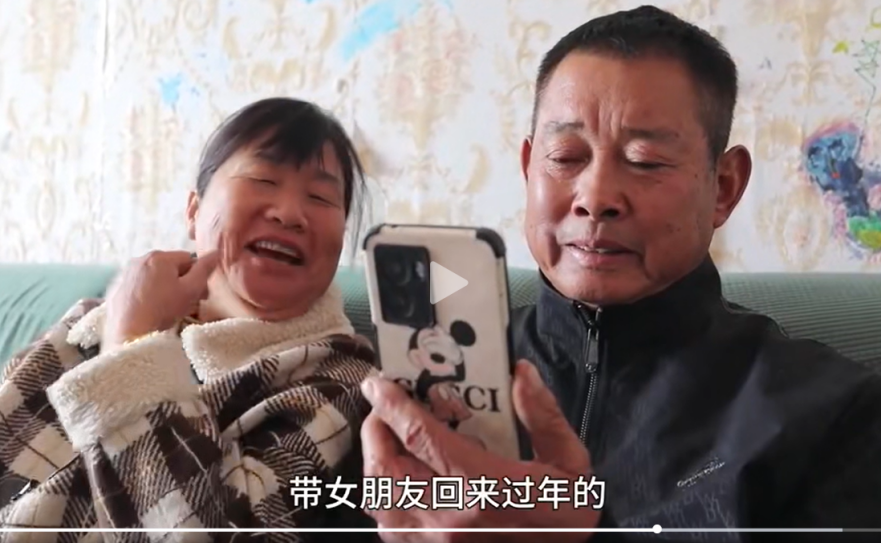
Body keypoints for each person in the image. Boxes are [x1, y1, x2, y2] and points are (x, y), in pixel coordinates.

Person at [359, 6, 881, 541]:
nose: (596, 196)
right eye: (566, 156)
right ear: (528, 168)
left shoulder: (835, 412)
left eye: (646, 160)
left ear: (723, 187)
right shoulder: (424, 380)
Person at [0, 97, 378, 537]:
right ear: (194, 212)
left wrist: (131, 346)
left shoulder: (342, 385)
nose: (290, 213)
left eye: (320, 197)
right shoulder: (87, 325)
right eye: (262, 178)